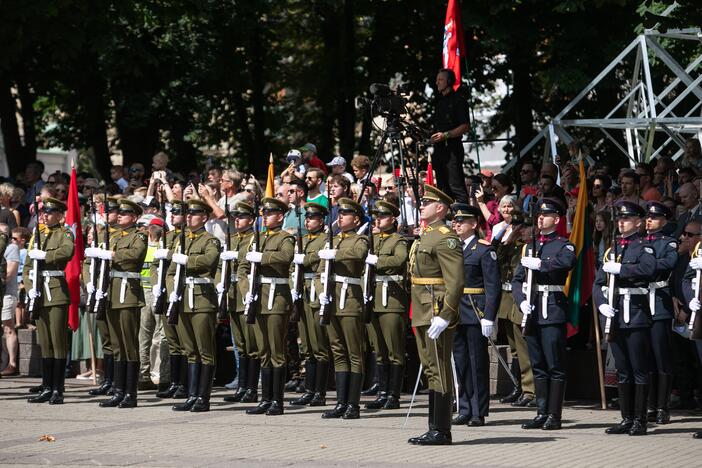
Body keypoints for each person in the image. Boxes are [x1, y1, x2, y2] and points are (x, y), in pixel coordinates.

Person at [512, 198, 576, 431]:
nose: (540, 218)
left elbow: (567, 262)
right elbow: (518, 280)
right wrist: (521, 302)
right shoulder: (530, 246)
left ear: (557, 220)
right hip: (532, 310)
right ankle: (541, 412)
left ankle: (554, 415)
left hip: (553, 310)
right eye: (539, 214)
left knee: (554, 365)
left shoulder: (563, 244)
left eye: (546, 215)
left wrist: (541, 264)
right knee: (537, 364)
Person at [407, 185, 463, 445]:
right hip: (421, 307)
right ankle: (434, 427)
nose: (422, 205)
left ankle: (442, 430)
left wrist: (446, 315)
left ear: (440, 208)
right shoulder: (426, 234)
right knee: (431, 368)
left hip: (436, 309)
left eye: (427, 202)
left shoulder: (445, 237)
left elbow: (455, 281)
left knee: (439, 368)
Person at [594, 201, 656, 436]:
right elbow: (598, 283)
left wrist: (624, 271)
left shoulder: (643, 247)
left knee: (639, 367)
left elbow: (650, 269)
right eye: (619, 219)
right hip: (615, 314)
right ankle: (626, 418)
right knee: (622, 368)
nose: (621, 222)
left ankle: (640, 419)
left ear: (639, 222)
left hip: (637, 314)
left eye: (626, 219)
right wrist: (601, 304)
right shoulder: (613, 249)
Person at [317, 197, 369, 420]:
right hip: (331, 299)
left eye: (345, 214)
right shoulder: (332, 239)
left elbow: (359, 255)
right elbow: (321, 268)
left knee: (353, 352)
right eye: (339, 213)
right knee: (337, 351)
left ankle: (353, 404)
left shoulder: (361, 239)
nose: (340, 217)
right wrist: (321, 290)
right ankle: (341, 402)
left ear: (356, 219)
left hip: (349, 300)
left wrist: (335, 254)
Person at [93, 199, 148, 408]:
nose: (120, 216)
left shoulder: (139, 235)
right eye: (120, 213)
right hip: (112, 292)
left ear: (134, 217)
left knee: (129, 346)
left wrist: (113, 255)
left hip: (128, 293)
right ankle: (118, 391)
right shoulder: (114, 235)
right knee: (116, 345)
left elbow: (134, 257)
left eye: (125, 214)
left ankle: (130, 394)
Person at [243, 197, 295, 416]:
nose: (265, 217)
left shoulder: (286, 238)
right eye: (263, 214)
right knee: (263, 350)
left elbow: (286, 257)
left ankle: (277, 400)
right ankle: (265, 398)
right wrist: (246, 290)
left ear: (280, 216)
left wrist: (262, 257)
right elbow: (244, 264)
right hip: (258, 297)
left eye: (269, 213)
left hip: (276, 299)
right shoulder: (257, 237)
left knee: (276, 350)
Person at [168, 199, 221, 412]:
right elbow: (171, 269)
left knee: (204, 349)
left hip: (202, 298)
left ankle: (203, 398)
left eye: (194, 214)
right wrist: (170, 289)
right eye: (188, 214)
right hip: (182, 297)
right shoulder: (181, 240)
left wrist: (186, 260)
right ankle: (192, 395)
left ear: (204, 217)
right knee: (190, 350)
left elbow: (209, 260)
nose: (188, 217)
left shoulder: (210, 240)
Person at [451, 204, 501, 426]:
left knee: (477, 363)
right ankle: (464, 407)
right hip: (455, 312)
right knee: (460, 362)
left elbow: (493, 286)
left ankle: (478, 411)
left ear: (474, 224)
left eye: (462, 221)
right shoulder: (453, 249)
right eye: (455, 221)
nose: (457, 224)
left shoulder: (483, 249)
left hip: (475, 311)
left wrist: (489, 316)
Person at [25, 197, 75, 404]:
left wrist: (44, 255)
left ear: (60, 215)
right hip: (38, 292)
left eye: (49, 212)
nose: (44, 215)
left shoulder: (64, 233)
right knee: (45, 343)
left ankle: (58, 389)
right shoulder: (39, 233)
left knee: (58, 343)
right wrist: (29, 290)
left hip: (55, 292)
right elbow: (28, 265)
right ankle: (47, 387)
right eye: (43, 212)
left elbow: (67, 252)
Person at [363, 201, 409, 411]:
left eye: (382, 216)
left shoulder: (398, 240)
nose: (378, 219)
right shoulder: (371, 239)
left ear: (393, 219)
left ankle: (394, 395)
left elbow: (400, 260)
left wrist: (376, 261)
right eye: (376, 216)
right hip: (372, 298)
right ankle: (382, 392)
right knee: (379, 349)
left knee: (394, 350)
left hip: (391, 299)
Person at [289, 202, 331, 407]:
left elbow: (317, 261)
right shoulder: (302, 239)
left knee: (319, 345)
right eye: (307, 217)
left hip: (316, 292)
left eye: (312, 218)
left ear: (322, 220)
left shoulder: (326, 239)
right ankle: (309, 389)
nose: (308, 221)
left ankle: (319, 392)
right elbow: (291, 266)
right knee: (306, 345)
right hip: (302, 292)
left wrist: (303, 258)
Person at [221, 201, 260, 404]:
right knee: (241, 345)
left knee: (251, 344)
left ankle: (251, 388)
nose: (237, 220)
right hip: (232, 295)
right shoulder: (233, 238)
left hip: (246, 294)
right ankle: (242, 387)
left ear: (252, 220)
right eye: (235, 217)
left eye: (241, 217)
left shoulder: (255, 239)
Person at [643, 202, 677, 425]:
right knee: (645, 359)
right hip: (639, 303)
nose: (649, 221)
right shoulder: (639, 242)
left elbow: (669, 263)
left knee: (661, 357)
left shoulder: (669, 242)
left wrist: (644, 265)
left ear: (664, 221)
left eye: (654, 218)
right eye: (647, 217)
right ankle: (649, 405)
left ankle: (662, 406)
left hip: (659, 302)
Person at [153, 200, 189, 400]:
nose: (173, 215)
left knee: (183, 341)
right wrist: (156, 284)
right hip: (165, 294)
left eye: (178, 212)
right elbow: (154, 266)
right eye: (172, 212)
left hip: (180, 293)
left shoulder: (185, 237)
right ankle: (174, 382)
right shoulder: (166, 237)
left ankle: (184, 384)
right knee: (172, 341)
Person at [86, 197, 119, 397]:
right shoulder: (99, 234)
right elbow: (87, 262)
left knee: (116, 339)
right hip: (98, 290)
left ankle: (117, 381)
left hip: (113, 289)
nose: (107, 215)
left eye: (111, 211)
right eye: (104, 211)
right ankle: (108, 380)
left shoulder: (120, 236)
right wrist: (88, 281)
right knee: (105, 338)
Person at [430, 68, 470, 204]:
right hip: (439, 150)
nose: (437, 82)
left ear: (449, 81)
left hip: (453, 149)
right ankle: (448, 221)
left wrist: (446, 135)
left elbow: (465, 126)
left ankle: (466, 220)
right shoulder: (439, 103)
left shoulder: (459, 101)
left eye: (440, 79)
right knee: (442, 189)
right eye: (437, 80)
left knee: (456, 186)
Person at [137, 217, 168, 391]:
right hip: (156, 292)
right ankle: (160, 375)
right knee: (159, 335)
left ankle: (144, 375)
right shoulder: (163, 248)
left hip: (146, 292)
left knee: (146, 337)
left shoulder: (145, 247)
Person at [1, 224, 20, 376]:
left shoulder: (11, 248)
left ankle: (12, 364)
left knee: (8, 328)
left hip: (7, 293)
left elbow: (9, 273)